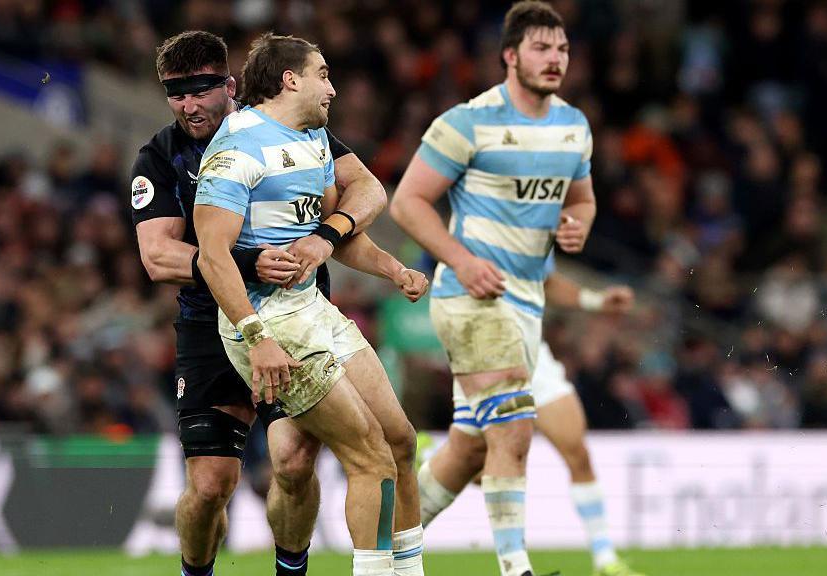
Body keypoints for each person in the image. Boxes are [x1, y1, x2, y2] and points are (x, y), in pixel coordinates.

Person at [130, 31, 402, 576]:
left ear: (229, 85)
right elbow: (159, 258)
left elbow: (368, 189)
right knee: (210, 487)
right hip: (212, 323)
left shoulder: (286, 129)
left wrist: (328, 235)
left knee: (295, 462)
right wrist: (245, 260)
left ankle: (291, 570)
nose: (188, 105)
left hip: (294, 316)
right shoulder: (160, 156)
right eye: (175, 94)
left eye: (201, 90)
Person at [194, 33, 428, 576]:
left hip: (311, 307)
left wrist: (393, 269)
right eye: (323, 74)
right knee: (368, 456)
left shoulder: (313, 139)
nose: (334, 87)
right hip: (267, 320)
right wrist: (258, 339)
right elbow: (211, 257)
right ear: (289, 80)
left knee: (401, 443)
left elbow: (328, 236)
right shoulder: (238, 148)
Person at [390, 3, 596, 576]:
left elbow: (581, 198)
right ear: (510, 55)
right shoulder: (467, 121)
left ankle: (385, 547)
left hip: (528, 305)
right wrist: (461, 258)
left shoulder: (573, 126)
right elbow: (408, 202)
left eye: (562, 50)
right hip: (470, 297)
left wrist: (580, 224)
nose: (554, 59)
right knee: (513, 423)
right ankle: (516, 568)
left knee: (471, 448)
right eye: (541, 48)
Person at [417, 271, 647, 576]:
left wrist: (596, 300)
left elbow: (546, 279)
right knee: (472, 464)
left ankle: (604, 558)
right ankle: (393, 542)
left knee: (577, 451)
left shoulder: (538, 230)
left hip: (534, 354)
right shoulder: (479, 231)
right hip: (487, 351)